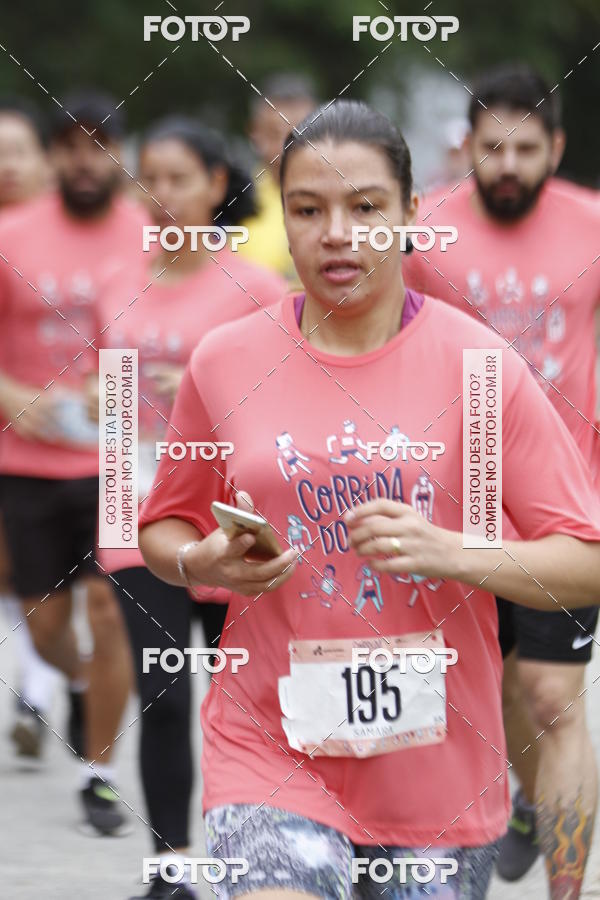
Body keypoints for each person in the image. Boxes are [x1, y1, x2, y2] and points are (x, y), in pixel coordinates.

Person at [138, 99, 600, 900]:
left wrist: (453, 552)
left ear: (412, 213)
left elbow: (587, 563)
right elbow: (161, 522)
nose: (337, 233)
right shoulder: (227, 358)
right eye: (309, 210)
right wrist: (196, 559)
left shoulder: (480, 366)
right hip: (269, 744)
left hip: (437, 774)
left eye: (365, 207)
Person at [403, 63, 600, 896]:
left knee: (554, 697)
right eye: (493, 148)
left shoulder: (593, 225)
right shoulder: (426, 231)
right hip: (456, 508)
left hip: (566, 502)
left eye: (526, 147)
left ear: (555, 147)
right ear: (467, 148)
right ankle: (521, 802)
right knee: (494, 696)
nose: (509, 164)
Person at [94, 116, 287, 899]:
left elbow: (294, 397)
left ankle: (262, 852)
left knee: (247, 702)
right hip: (143, 519)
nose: (161, 195)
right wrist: (112, 511)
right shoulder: (118, 282)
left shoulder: (260, 288)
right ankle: (173, 866)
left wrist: (215, 390)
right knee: (164, 693)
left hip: (235, 524)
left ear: (216, 183)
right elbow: (105, 395)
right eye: (149, 178)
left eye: (178, 178)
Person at [0, 90, 142, 835]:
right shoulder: (12, 233)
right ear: (57, 157)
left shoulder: (148, 235)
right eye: (74, 146)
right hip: (25, 461)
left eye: (102, 144)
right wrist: (13, 396)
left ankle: (101, 774)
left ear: (122, 154)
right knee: (48, 627)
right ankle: (84, 686)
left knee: (107, 610)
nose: (87, 160)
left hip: (118, 460)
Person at [0, 97, 58, 758]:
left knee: (53, 576)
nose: (7, 166)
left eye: (18, 151)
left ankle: (39, 690)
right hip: (10, 424)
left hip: (73, 438)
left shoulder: (92, 230)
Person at [237, 73, 317, 279]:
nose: (287, 147)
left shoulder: (346, 198)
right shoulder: (230, 200)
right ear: (254, 133)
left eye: (300, 135)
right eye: (275, 134)